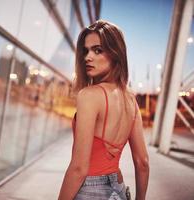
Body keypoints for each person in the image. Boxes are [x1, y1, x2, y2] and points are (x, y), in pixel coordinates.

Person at [58, 20, 149, 200]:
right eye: (85, 51)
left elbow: (79, 168)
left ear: (116, 54)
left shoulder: (89, 95)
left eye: (97, 50)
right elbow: (143, 162)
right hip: (119, 189)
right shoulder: (131, 99)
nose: (87, 57)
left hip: (90, 190)